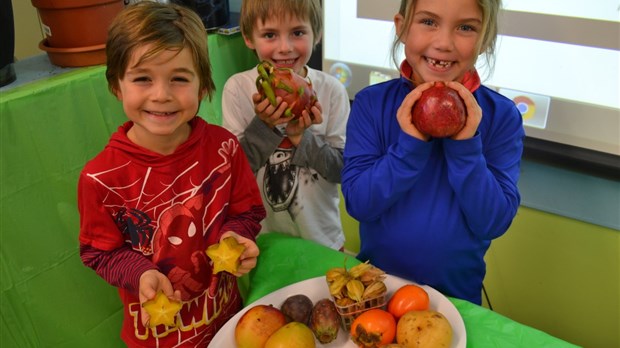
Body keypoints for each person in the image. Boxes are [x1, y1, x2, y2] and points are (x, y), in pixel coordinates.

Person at [77, 2, 266, 346]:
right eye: (142, 78)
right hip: (153, 336)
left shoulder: (224, 148)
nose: (161, 95)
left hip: (226, 323)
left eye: (179, 78)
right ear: (117, 85)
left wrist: (237, 236)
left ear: (203, 87)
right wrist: (142, 272)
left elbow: (248, 211)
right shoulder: (99, 178)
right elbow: (98, 252)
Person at [341, 0, 525, 305]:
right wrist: (409, 147)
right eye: (428, 22)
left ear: (486, 39)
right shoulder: (371, 104)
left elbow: (492, 222)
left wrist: (466, 148)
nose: (443, 43)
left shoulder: (501, 116)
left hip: (457, 299)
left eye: (466, 27)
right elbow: (359, 204)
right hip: (377, 292)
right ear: (401, 27)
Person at [222, 0, 350, 250]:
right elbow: (233, 175)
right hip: (261, 243)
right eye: (269, 34)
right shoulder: (237, 89)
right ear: (248, 37)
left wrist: (301, 136)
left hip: (322, 241)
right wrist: (264, 126)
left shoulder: (331, 90)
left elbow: (341, 171)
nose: (285, 48)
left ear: (318, 34)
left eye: (298, 33)